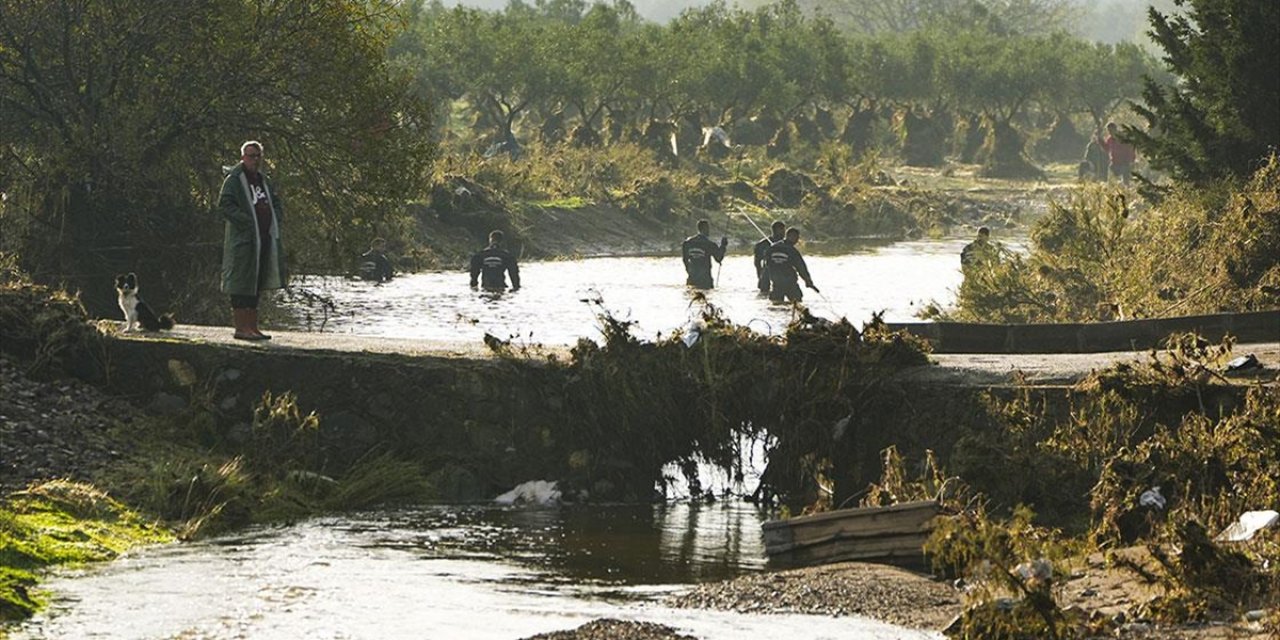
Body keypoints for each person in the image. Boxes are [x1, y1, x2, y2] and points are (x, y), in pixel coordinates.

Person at [218, 140, 285, 341]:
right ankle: (241, 328)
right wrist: (247, 221)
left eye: (257, 156)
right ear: (242, 157)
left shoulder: (264, 181)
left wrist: (275, 217)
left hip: (262, 240)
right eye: (250, 156)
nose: (254, 160)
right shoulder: (234, 180)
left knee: (256, 283)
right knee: (241, 284)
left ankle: (253, 327)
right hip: (243, 242)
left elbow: (275, 203)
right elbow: (225, 205)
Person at [767, 227, 818, 303]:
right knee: (798, 303)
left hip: (776, 282)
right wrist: (808, 281)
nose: (797, 240)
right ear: (790, 236)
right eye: (796, 237)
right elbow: (801, 267)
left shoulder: (772, 248)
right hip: (789, 283)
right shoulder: (792, 251)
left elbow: (767, 264)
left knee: (776, 304)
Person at [681, 219, 727, 289]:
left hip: (692, 278)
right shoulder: (709, 244)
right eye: (708, 228)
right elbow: (719, 258)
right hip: (705, 280)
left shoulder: (687, 243)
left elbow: (685, 259)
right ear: (705, 229)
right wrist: (723, 245)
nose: (709, 230)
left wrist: (689, 271)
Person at [754, 220, 786, 294]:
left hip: (783, 271)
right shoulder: (763, 244)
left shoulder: (786, 244)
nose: (784, 233)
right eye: (782, 230)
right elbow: (757, 262)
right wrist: (760, 276)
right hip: (768, 271)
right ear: (776, 230)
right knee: (764, 291)